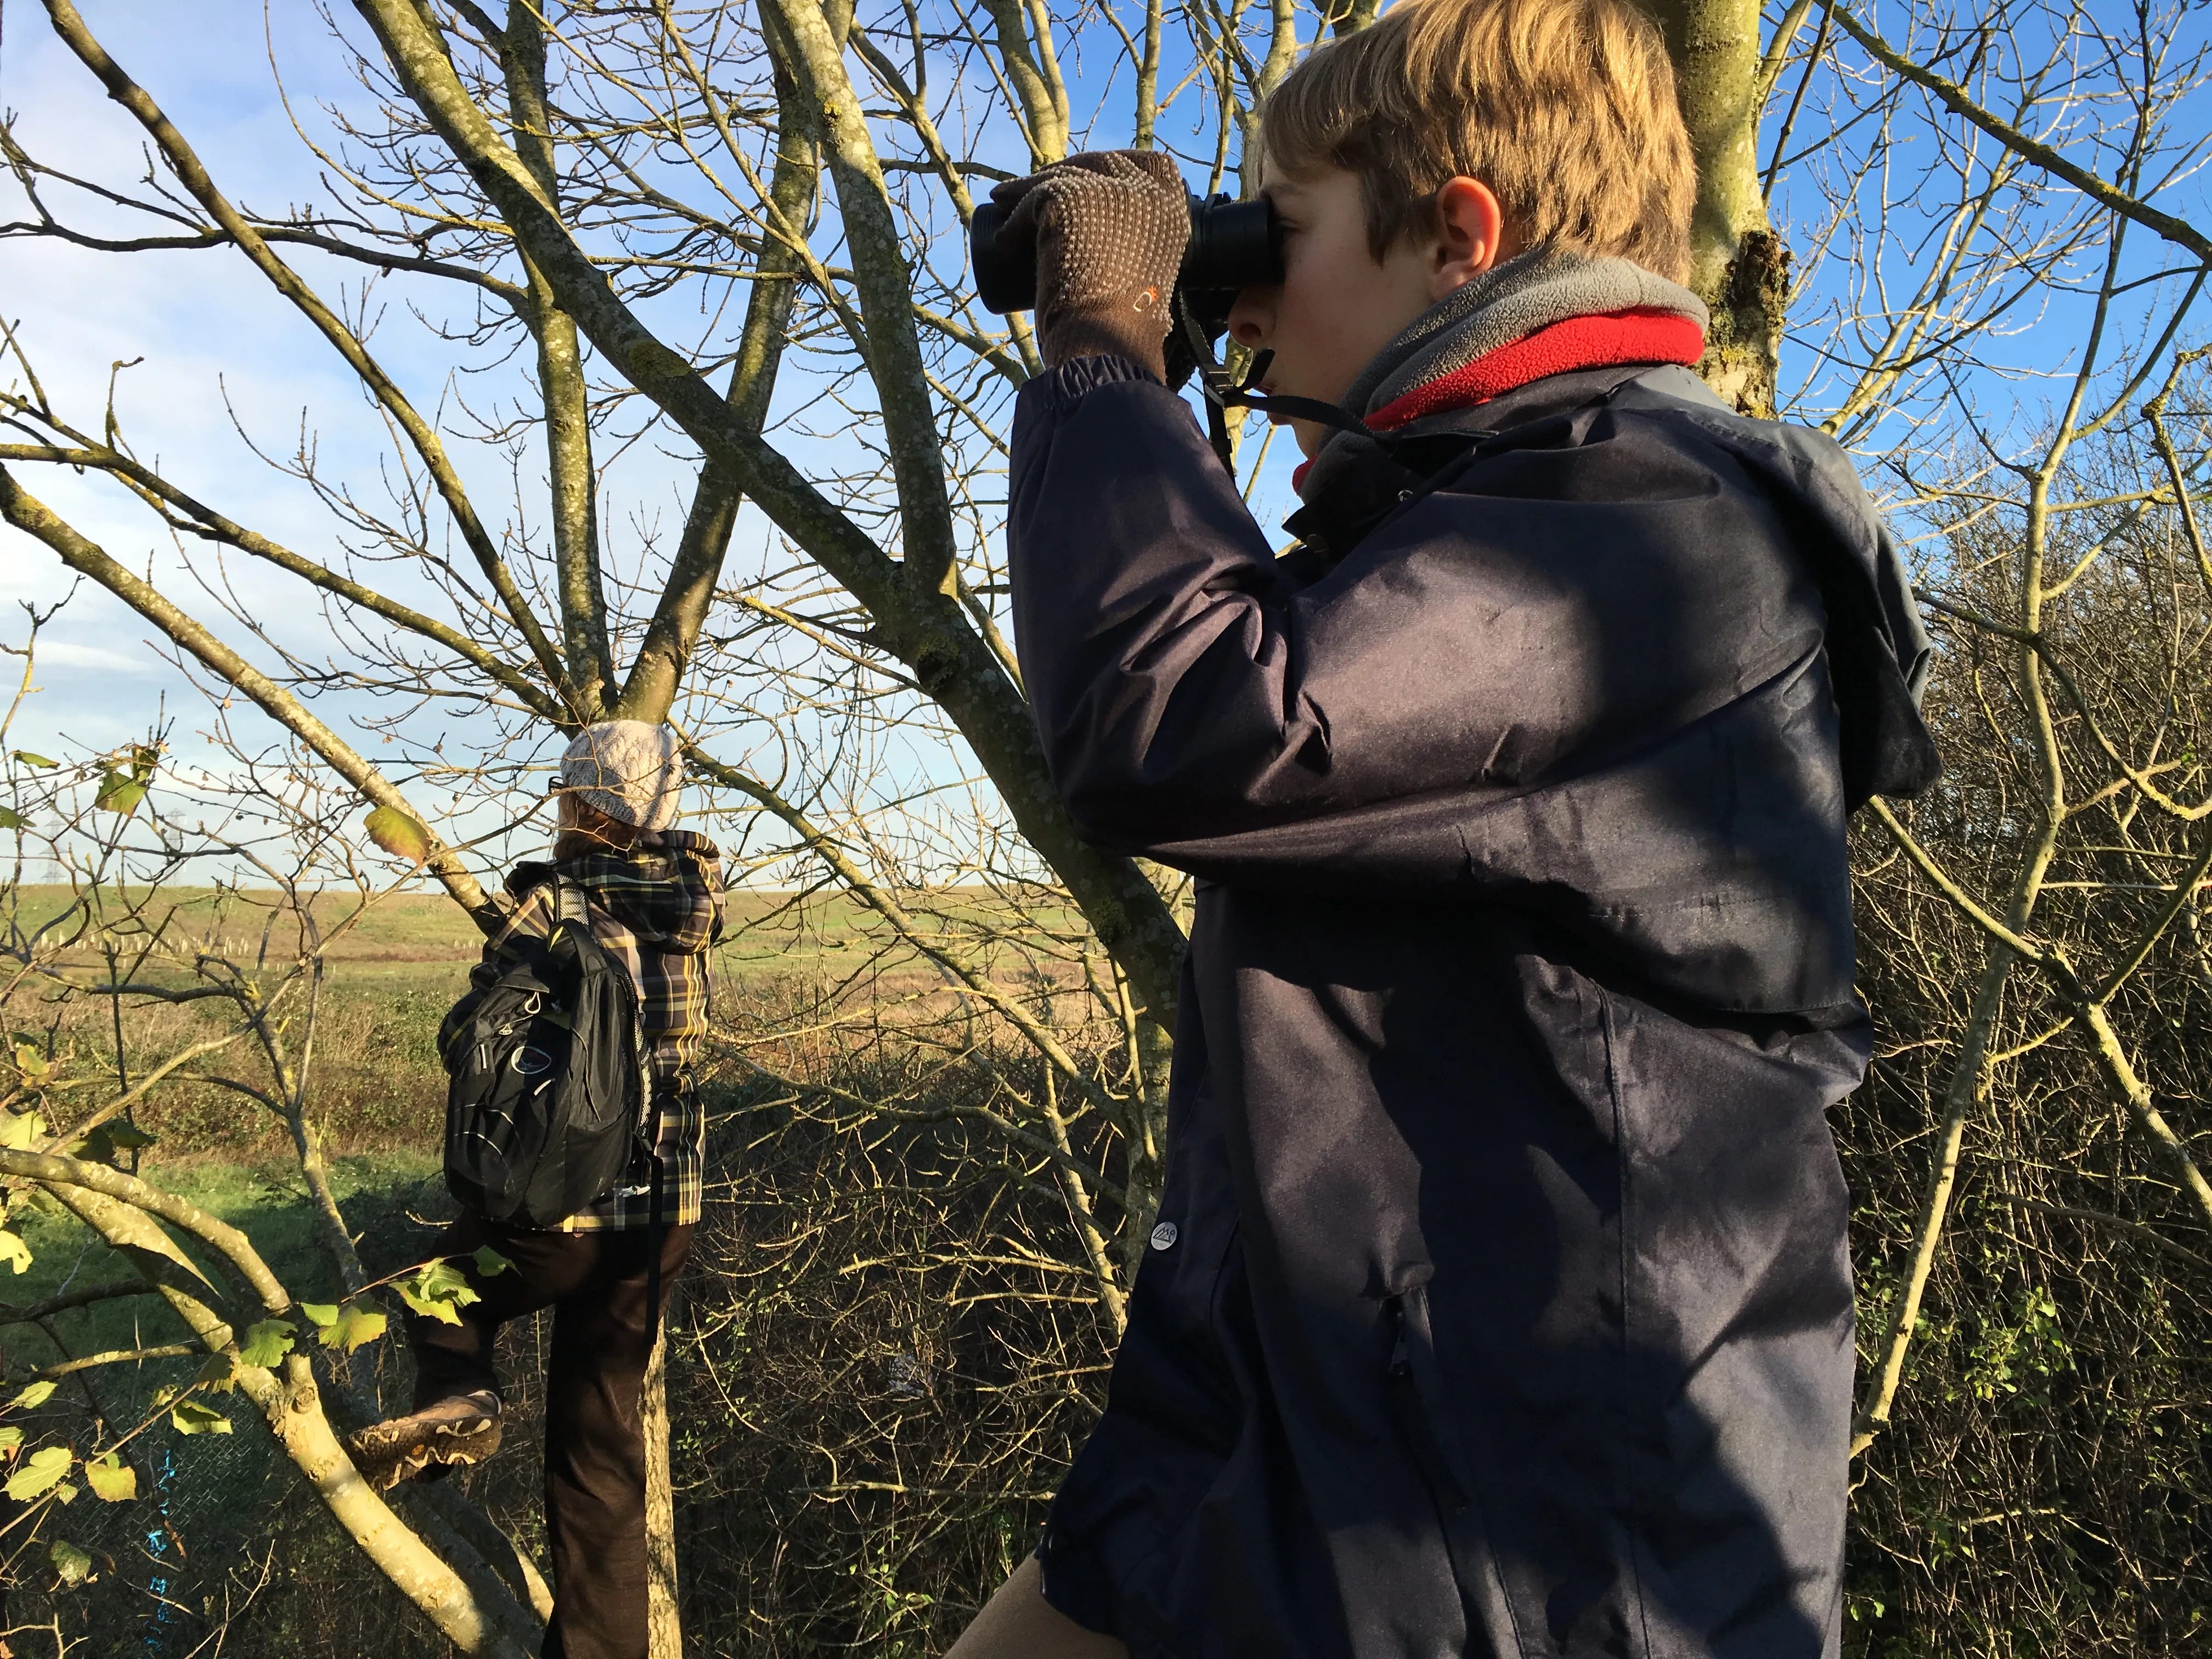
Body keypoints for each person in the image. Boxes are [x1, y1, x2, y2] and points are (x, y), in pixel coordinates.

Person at [950, 1, 1939, 1656]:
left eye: (1284, 237)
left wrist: (1110, 353)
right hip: (1301, 1463)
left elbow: (1191, 718)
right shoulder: (1483, 524)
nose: (1243, 296)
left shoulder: (1649, 530)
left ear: (1460, 239)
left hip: (1528, 1551)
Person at [346, 719, 723, 1659]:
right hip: (663, 1213)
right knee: (600, 1453)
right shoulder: (694, 899)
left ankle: (459, 1399)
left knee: (436, 1286)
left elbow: (471, 1038)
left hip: (561, 1203)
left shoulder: (552, 902)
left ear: (582, 804)